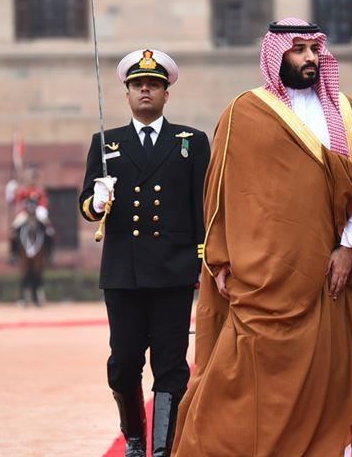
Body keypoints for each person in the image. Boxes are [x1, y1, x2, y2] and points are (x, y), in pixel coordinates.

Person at [172, 18, 352, 456]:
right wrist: (220, 259)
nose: (310, 58)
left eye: (315, 49)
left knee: (327, 372)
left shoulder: (346, 114)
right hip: (260, 276)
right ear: (277, 54)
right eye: (299, 49)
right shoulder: (244, 112)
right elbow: (222, 193)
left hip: (324, 272)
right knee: (236, 378)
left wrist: (348, 249)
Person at [78, 49, 209, 457]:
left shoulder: (191, 142)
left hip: (173, 272)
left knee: (170, 365)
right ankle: (135, 437)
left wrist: (203, 260)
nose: (146, 90)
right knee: (123, 363)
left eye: (154, 85)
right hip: (124, 273)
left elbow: (202, 207)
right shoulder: (106, 143)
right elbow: (86, 206)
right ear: (128, 94)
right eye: (138, 85)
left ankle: (161, 449)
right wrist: (98, 202)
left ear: (167, 94)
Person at [7, 165, 54, 263]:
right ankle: (14, 254)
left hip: (37, 213)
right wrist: (11, 190)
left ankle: (49, 254)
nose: (32, 180)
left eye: (33, 178)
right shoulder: (22, 191)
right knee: (13, 230)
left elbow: (44, 202)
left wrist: (39, 208)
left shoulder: (39, 191)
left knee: (50, 231)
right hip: (25, 213)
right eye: (30, 178)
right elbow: (15, 201)